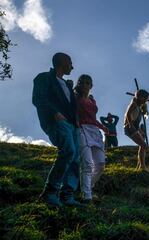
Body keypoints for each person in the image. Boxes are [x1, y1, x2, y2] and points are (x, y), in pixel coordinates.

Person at [32, 52, 82, 207]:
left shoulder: (67, 85)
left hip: (72, 125)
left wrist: (76, 121)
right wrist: (55, 113)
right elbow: (38, 99)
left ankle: (67, 196)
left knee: (75, 159)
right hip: (57, 122)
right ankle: (49, 193)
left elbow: (71, 106)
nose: (72, 67)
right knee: (68, 152)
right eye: (70, 63)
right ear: (63, 62)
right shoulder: (44, 77)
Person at [75, 74, 108, 204]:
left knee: (100, 165)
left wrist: (102, 127)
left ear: (91, 86)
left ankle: (87, 185)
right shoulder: (75, 97)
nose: (85, 85)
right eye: (82, 82)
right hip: (82, 129)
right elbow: (73, 112)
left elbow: (93, 118)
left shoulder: (92, 100)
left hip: (94, 131)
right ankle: (86, 196)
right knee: (87, 164)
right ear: (79, 84)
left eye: (88, 83)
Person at [124, 90, 149, 172]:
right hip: (129, 127)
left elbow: (136, 121)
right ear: (140, 97)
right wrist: (131, 125)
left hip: (133, 128)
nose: (146, 100)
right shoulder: (134, 104)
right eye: (145, 98)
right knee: (144, 145)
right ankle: (142, 167)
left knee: (142, 145)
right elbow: (128, 114)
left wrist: (139, 130)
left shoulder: (138, 107)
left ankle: (139, 167)